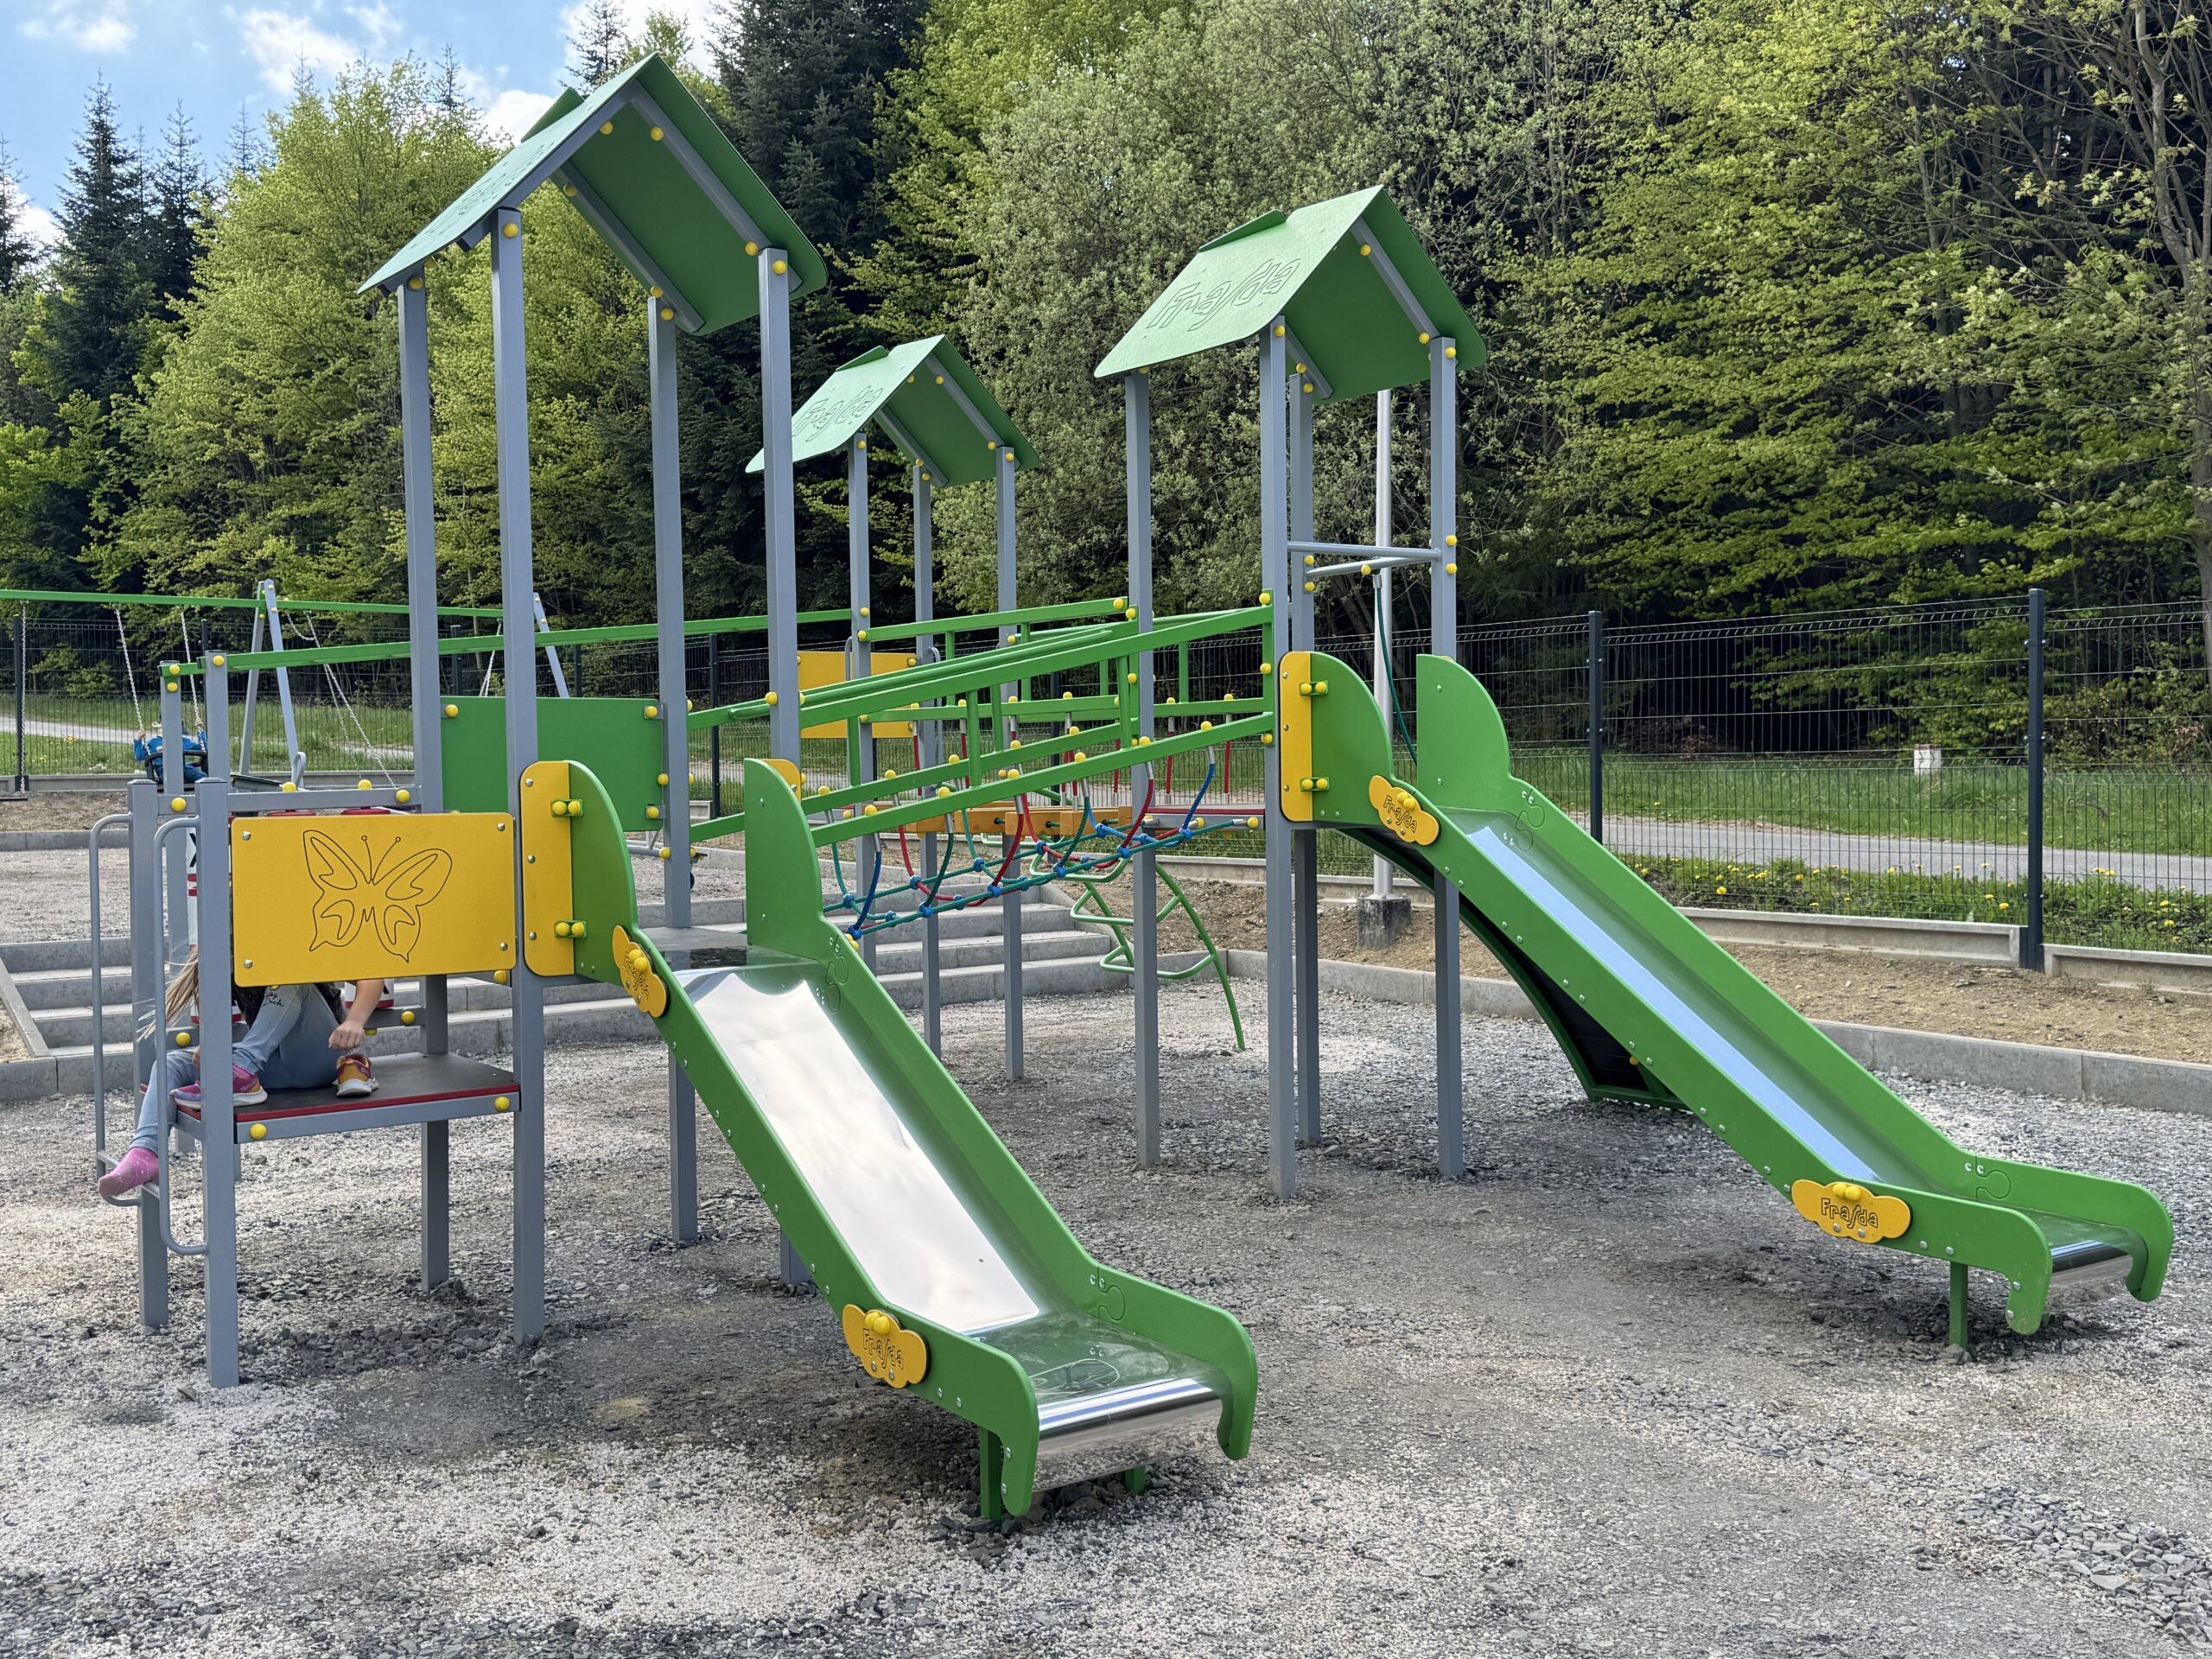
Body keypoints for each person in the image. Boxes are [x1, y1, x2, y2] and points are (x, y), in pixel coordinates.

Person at [97, 950, 385, 1198]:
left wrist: (355, 1021)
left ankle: (242, 1070)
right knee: (170, 1063)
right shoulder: (229, 957)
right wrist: (212, 1044)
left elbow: (371, 974)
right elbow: (219, 1015)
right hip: (268, 1065)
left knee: (291, 975)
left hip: (318, 1055)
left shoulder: (300, 942)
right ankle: (145, 1153)